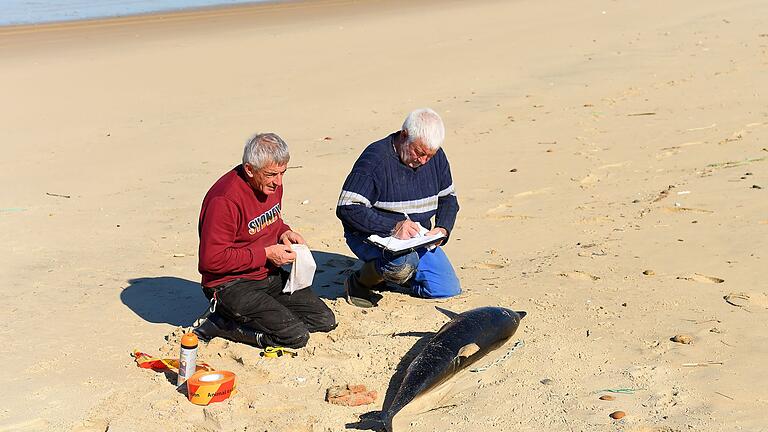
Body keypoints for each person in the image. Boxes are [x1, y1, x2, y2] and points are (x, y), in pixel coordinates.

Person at [193, 133, 336, 348]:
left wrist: (284, 232)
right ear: (250, 169)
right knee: (294, 336)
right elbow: (210, 260)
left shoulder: (270, 185)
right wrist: (266, 254)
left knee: (324, 320)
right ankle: (223, 325)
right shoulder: (224, 200)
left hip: (267, 275)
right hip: (231, 285)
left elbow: (269, 220)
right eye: (271, 175)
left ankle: (259, 316)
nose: (278, 182)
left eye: (282, 173)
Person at [336, 108, 461, 307]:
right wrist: (393, 227)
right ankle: (359, 283)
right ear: (404, 135)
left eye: (429, 155)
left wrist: (443, 228)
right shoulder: (375, 159)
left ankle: (391, 274)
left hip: (417, 239)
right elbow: (347, 207)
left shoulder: (435, 157)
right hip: (370, 235)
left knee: (446, 289)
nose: (423, 161)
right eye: (419, 153)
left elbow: (448, 199)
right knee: (402, 263)